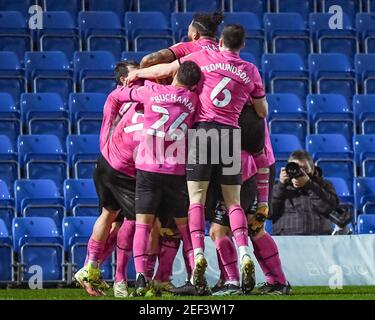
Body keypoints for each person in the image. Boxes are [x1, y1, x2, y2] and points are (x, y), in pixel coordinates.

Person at [124, 24, 269, 293]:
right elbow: (261, 111)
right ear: (242, 46)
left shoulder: (202, 57)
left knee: (196, 200)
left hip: (202, 133)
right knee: (233, 202)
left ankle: (199, 255)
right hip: (230, 135)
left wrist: (137, 74)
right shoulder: (251, 70)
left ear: (220, 41)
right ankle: (244, 251)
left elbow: (164, 70)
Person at [110, 61, 202, 297]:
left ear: (175, 74)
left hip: (149, 169)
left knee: (143, 224)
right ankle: (194, 277)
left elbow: (123, 94)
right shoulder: (194, 100)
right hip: (176, 173)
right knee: (185, 229)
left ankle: (140, 278)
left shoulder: (152, 91)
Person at [74, 61, 143, 297]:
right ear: (124, 79)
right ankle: (111, 276)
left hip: (108, 164)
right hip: (120, 168)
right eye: (136, 72)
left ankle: (90, 269)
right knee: (125, 221)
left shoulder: (121, 99)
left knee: (111, 218)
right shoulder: (125, 98)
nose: (142, 76)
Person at [272, 150, 340, 236]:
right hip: (286, 237)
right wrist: (281, 185)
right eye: (295, 167)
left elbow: (330, 208)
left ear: (312, 169)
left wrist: (309, 185)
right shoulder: (279, 187)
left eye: (303, 168)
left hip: (318, 239)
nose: (299, 171)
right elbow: (269, 212)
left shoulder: (324, 185)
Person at [140, 11, 223, 68]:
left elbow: (148, 59)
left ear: (195, 35)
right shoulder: (224, 49)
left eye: (189, 29)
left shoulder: (187, 47)